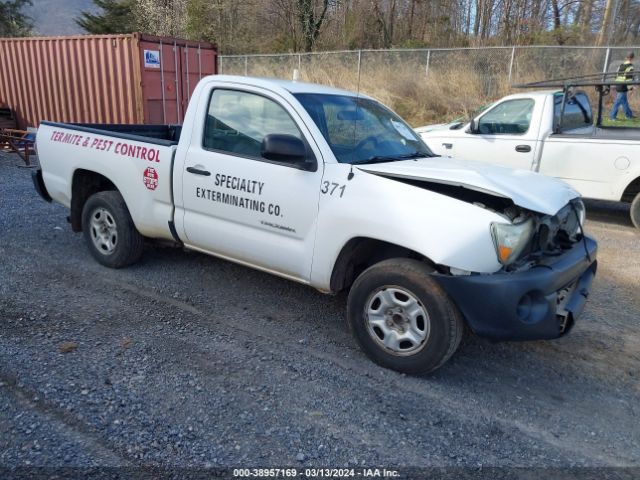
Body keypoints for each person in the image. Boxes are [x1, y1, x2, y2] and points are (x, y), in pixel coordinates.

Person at [610, 52, 635, 120]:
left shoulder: (621, 65)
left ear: (626, 58)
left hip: (618, 84)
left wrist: (618, 82)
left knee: (624, 101)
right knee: (617, 102)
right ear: (632, 58)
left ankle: (629, 115)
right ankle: (612, 117)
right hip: (623, 86)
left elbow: (615, 75)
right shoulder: (630, 66)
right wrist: (631, 88)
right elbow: (629, 78)